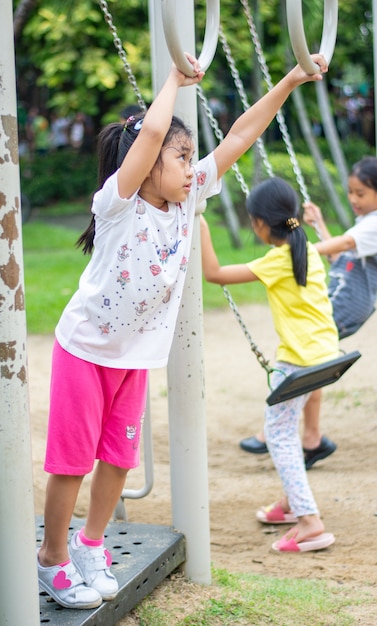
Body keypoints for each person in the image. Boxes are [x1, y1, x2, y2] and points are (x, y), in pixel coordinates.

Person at [37, 51, 329, 608]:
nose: (193, 166)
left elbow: (243, 133)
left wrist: (291, 79)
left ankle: (90, 544)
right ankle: (52, 557)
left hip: (133, 360)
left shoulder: (187, 196)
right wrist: (172, 79)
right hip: (85, 351)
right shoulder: (118, 204)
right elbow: (149, 135)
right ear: (147, 166)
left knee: (120, 459)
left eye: (193, 156)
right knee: (72, 462)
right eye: (181, 155)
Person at [200, 177, 337, 552]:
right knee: (285, 429)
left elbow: (214, 274)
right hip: (326, 356)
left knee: (277, 435)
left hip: (300, 362)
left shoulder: (279, 258)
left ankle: (310, 522)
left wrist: (199, 221)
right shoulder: (305, 247)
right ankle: (294, 504)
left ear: (260, 224)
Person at [240, 156, 377, 467]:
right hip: (345, 298)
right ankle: (312, 437)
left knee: (308, 359)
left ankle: (295, 433)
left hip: (348, 301)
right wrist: (317, 227)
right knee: (312, 362)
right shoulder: (365, 223)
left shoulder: (374, 223)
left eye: (361, 193)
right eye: (351, 192)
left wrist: (291, 252)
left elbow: (340, 245)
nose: (353, 199)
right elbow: (340, 259)